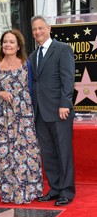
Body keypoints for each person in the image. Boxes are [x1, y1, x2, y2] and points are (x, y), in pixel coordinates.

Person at [0, 29, 43, 204]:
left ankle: (29, 191)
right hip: (6, 118)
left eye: (11, 42)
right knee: (8, 155)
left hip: (24, 117)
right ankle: (9, 193)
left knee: (28, 153)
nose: (7, 45)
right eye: (5, 42)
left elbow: (32, 90)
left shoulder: (27, 64)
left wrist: (33, 113)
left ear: (18, 46)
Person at [29, 15, 75, 206]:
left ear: (49, 29)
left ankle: (67, 191)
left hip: (59, 110)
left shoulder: (62, 49)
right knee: (48, 153)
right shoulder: (33, 56)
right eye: (34, 29)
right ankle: (55, 188)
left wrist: (65, 103)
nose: (37, 32)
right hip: (40, 113)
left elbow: (68, 78)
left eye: (40, 28)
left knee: (63, 152)